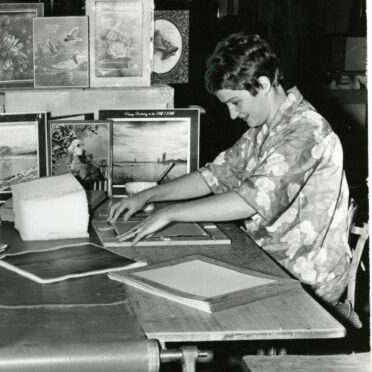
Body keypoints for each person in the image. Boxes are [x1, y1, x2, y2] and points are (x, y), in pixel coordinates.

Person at [108, 33, 351, 307]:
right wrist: (148, 195)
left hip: (305, 276)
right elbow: (213, 176)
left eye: (236, 102)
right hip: (269, 258)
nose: (232, 115)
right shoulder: (265, 128)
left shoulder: (305, 130)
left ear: (263, 84)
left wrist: (170, 212)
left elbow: (248, 201)